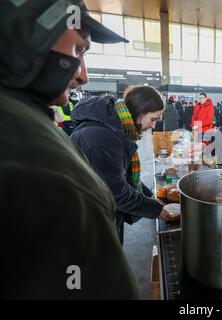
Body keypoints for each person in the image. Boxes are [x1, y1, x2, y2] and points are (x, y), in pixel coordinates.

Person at [0, 0, 138, 299]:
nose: (83, 76)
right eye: (79, 50)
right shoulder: (37, 162)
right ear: (31, 40)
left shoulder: (29, 119)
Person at [71, 85, 168, 244]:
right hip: (92, 222)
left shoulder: (117, 129)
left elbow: (122, 174)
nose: (153, 126)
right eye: (153, 119)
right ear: (139, 112)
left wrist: (148, 196)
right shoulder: (102, 139)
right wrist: (154, 209)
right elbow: (115, 192)